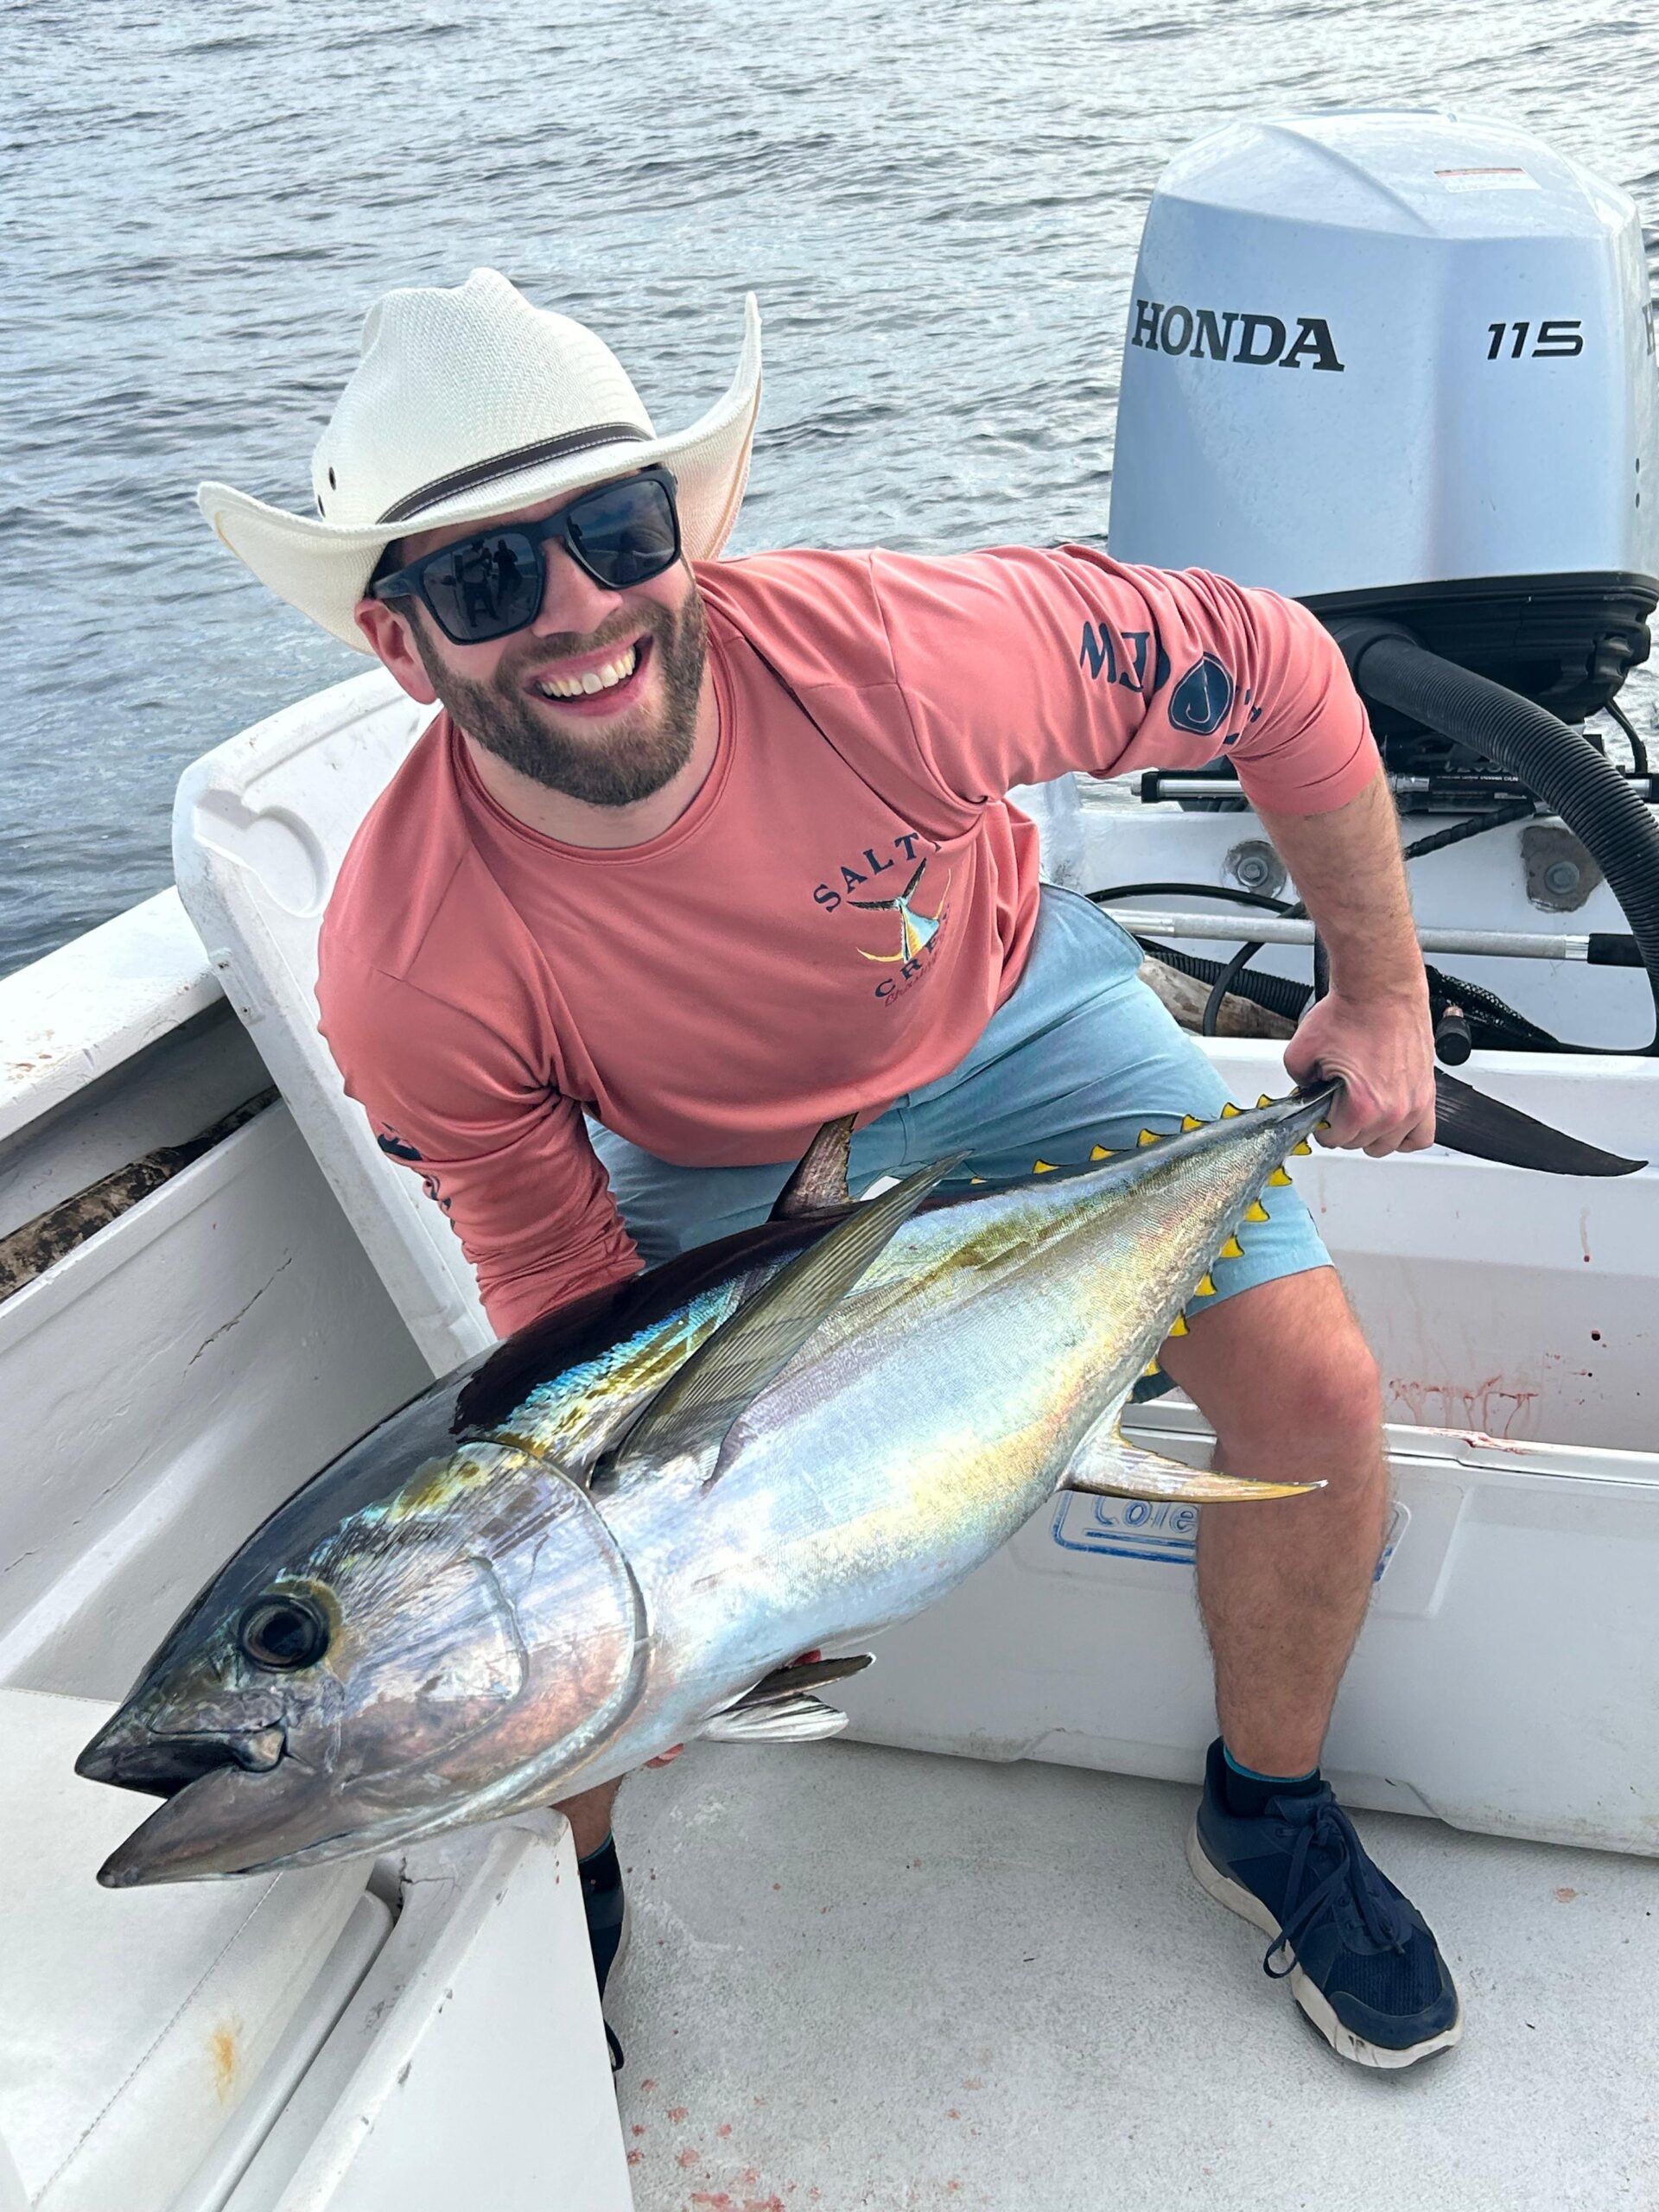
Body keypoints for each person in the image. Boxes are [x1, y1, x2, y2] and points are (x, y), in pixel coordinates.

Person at [200, 269, 1459, 2073]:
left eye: (614, 531)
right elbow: (569, 1310)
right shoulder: (408, 967)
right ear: (404, 645)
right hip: (717, 1155)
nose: (580, 610)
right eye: (487, 579)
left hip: (1023, 1021)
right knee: (546, 1578)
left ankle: (1268, 1809)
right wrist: (683, 1565)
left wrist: (1382, 992)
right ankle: (567, 1907)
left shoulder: (904, 656)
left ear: (681, 533)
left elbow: (1273, 668)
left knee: (1320, 1393)